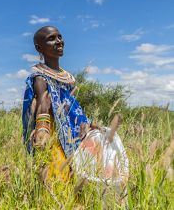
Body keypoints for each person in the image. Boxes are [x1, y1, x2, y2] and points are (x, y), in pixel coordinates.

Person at [22, 26, 128, 184]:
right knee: (58, 179)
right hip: (53, 137)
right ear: (39, 48)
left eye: (59, 36)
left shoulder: (66, 79)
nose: (59, 41)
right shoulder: (40, 77)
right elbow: (43, 102)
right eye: (51, 38)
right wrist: (42, 130)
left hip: (73, 136)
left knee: (78, 177)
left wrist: (88, 123)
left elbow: (72, 108)